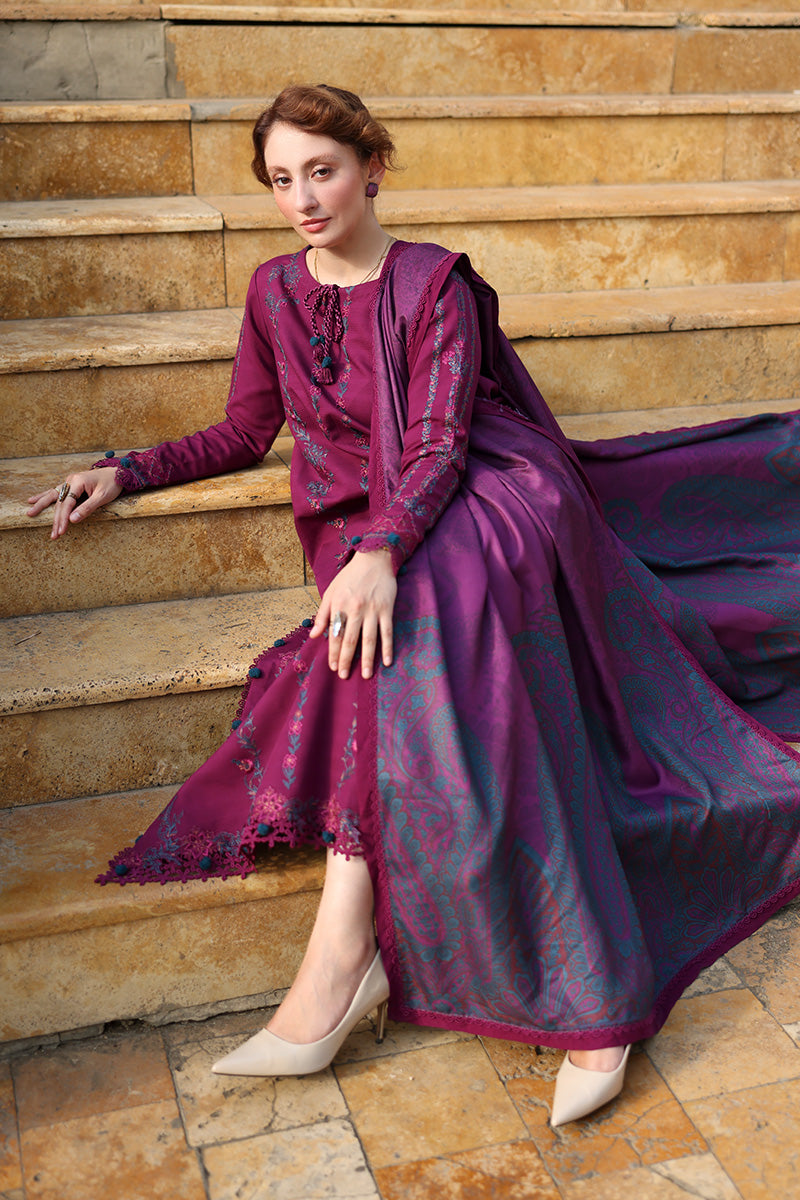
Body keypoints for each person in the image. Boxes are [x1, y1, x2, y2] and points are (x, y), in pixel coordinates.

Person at [26, 84, 800, 1127]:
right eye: (282, 180)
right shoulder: (270, 291)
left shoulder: (433, 281)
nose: (304, 199)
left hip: (483, 487)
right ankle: (362, 958)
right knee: (387, 619)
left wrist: (383, 551)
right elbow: (244, 432)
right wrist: (126, 469)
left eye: (323, 171)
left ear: (372, 167)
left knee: (420, 605)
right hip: (362, 520)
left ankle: (375, 958)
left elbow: (438, 442)